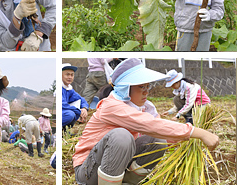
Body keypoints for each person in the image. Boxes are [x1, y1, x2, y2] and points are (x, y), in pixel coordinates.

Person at [73, 58, 219, 185]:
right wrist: (197, 132)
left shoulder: (145, 107)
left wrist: (186, 141)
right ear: (126, 88)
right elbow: (150, 124)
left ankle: (127, 182)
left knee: (158, 140)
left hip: (117, 166)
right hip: (88, 172)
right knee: (121, 136)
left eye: (147, 87)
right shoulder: (112, 106)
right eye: (141, 87)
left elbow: (160, 131)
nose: (146, 92)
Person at [62, 63, 89, 129]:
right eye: (67, 74)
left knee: (74, 113)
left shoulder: (69, 89)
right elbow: (63, 105)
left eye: (72, 75)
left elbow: (81, 99)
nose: (70, 77)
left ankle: (65, 131)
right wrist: (80, 112)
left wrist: (84, 108)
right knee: (70, 114)